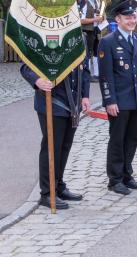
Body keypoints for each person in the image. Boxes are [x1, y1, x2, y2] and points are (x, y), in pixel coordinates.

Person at [99, 0, 137, 195]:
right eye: (127, 17)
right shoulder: (108, 41)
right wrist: (109, 100)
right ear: (118, 19)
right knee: (117, 139)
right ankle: (115, 179)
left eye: (133, 17)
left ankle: (127, 175)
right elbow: (106, 76)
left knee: (132, 138)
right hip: (120, 101)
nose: (131, 20)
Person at [21, 56, 90, 209]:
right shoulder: (47, 33)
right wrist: (37, 81)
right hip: (52, 101)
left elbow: (83, 70)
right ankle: (47, 193)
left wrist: (85, 95)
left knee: (65, 146)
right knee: (51, 147)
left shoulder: (80, 37)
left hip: (73, 102)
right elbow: (26, 65)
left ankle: (58, 185)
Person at [79, 0, 103, 80]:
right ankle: (88, 73)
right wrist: (95, 19)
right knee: (88, 52)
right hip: (87, 30)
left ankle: (96, 74)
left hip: (96, 29)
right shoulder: (83, 2)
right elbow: (81, 20)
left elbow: (97, 15)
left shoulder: (95, 2)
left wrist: (101, 18)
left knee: (97, 51)